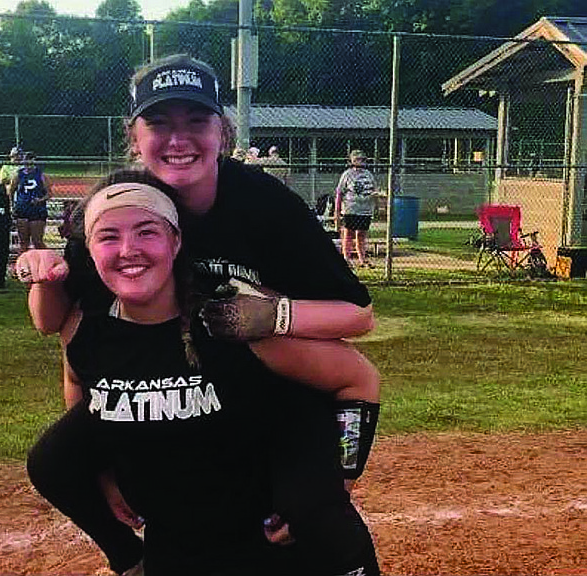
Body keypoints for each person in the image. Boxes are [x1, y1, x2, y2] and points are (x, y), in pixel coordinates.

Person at [19, 54, 380, 575]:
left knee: (309, 507)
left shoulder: (263, 204)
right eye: (159, 122)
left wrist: (274, 317)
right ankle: (134, 560)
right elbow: (66, 326)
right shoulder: (125, 203)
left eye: (197, 120)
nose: (177, 139)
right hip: (176, 377)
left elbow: (359, 317)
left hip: (269, 371)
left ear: (224, 131)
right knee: (56, 461)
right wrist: (44, 270)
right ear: (134, 135)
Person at [335, 150, 378, 268]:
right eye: (357, 159)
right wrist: (337, 211)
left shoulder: (368, 174)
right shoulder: (347, 174)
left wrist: (376, 197)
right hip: (351, 209)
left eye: (362, 159)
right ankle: (346, 259)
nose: (360, 162)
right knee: (348, 234)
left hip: (365, 210)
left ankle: (362, 260)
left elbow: (374, 189)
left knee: (361, 235)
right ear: (352, 161)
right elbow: (339, 192)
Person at [10, 151, 51, 254]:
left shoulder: (41, 175)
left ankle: (47, 261)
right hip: (22, 209)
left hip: (37, 210)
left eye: (30, 160)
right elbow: (11, 190)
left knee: (37, 242)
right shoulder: (18, 174)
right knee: (23, 243)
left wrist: (40, 200)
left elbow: (49, 194)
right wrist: (13, 205)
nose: (27, 163)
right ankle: (22, 266)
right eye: (26, 160)